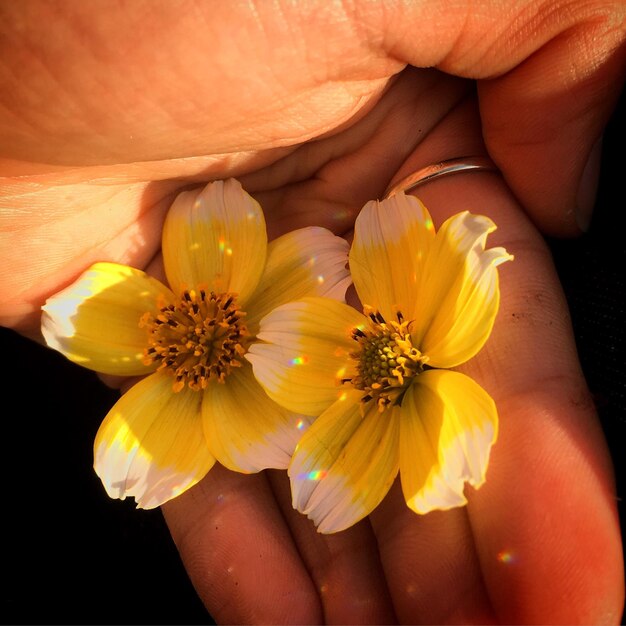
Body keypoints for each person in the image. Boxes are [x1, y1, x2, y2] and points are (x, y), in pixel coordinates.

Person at [1, 2, 624, 623]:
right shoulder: (274, 339)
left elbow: (431, 264)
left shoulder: (310, 327)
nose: (200, 337)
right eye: (189, 340)